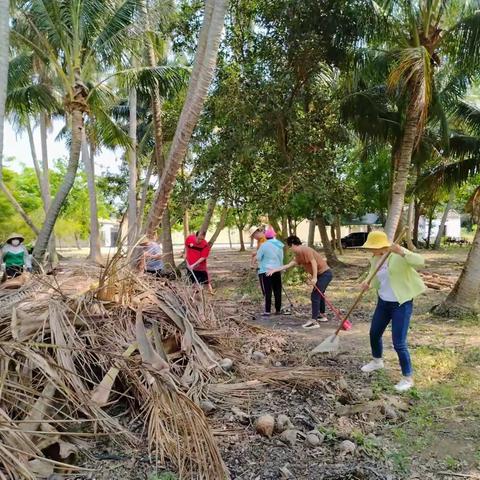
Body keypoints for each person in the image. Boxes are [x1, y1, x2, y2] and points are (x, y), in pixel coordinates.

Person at [360, 230, 425, 393]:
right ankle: (377, 361)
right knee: (374, 333)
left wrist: (402, 252)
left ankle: (407, 378)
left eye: (372, 247)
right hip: (383, 302)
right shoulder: (375, 258)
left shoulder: (397, 253)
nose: (370, 251)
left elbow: (420, 262)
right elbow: (374, 276)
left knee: (399, 343)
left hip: (401, 303)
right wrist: (367, 283)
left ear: (381, 245)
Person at [267, 235, 332, 329]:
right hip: (321, 275)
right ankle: (321, 315)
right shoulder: (298, 256)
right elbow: (289, 265)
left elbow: (313, 262)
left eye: (289, 247)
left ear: (293, 245)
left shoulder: (305, 250)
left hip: (325, 274)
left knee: (315, 295)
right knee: (319, 294)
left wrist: (314, 278)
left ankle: (314, 321)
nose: (289, 249)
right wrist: (275, 269)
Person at [257, 228, 284, 316]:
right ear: (274, 235)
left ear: (266, 236)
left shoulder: (264, 245)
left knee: (268, 290)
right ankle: (278, 310)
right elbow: (281, 258)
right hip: (276, 270)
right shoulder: (279, 245)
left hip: (266, 270)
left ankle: (267, 311)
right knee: (277, 290)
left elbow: (258, 257)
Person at [250, 226, 267, 294]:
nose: (254, 238)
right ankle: (266, 297)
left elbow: (263, 251)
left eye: (253, 236)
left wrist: (252, 262)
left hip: (267, 265)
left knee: (266, 285)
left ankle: (267, 298)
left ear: (256, 233)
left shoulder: (264, 239)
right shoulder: (259, 240)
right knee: (263, 285)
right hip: (262, 264)